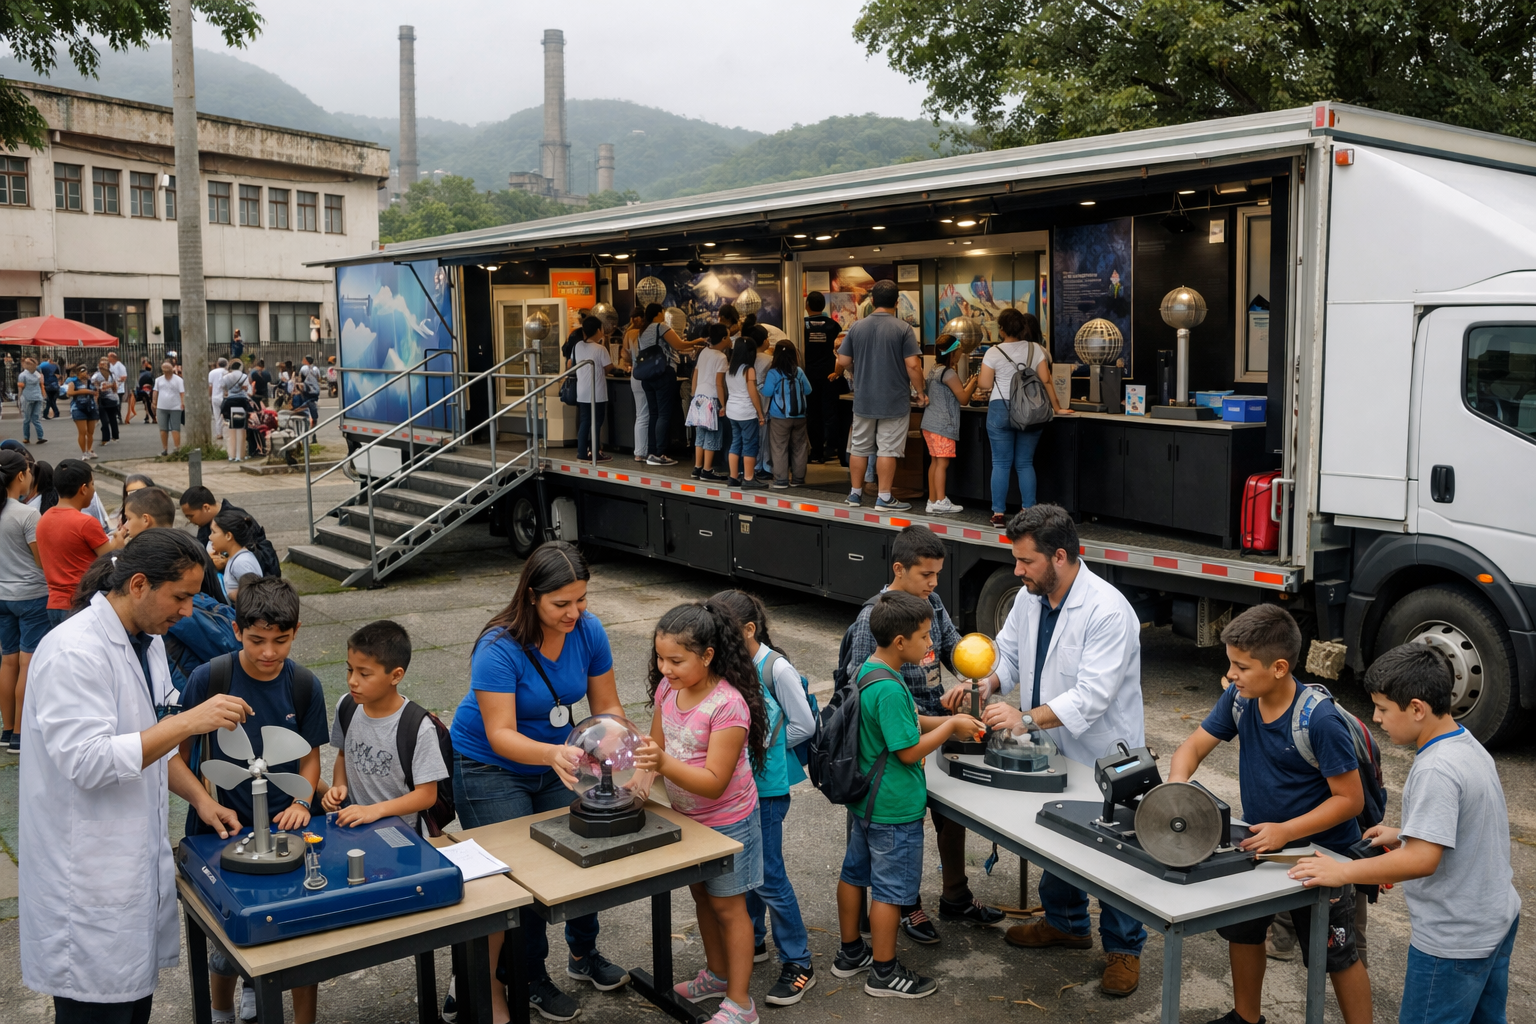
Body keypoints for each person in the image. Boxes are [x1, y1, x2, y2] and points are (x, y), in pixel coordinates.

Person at [19, 529, 251, 1024]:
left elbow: (151, 742)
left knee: (131, 1007)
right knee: (96, 1011)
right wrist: (187, 722)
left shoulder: (149, 643)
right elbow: (89, 761)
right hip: (87, 880)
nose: (188, 612)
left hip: (129, 870)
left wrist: (201, 799)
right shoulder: (73, 652)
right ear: (140, 584)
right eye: (181, 597)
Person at [447, 541, 631, 1022]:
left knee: (581, 854)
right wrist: (553, 753)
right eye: (561, 603)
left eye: (582, 599)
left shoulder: (589, 630)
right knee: (519, 878)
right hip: (489, 766)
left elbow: (607, 706)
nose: (575, 612)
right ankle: (527, 977)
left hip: (558, 759)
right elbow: (500, 733)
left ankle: (583, 954)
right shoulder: (497, 647)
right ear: (532, 596)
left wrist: (621, 742)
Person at [1289, 643, 1520, 1024]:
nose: (1376, 718)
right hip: (1493, 919)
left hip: (1452, 939)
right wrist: (1407, 833)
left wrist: (1341, 871)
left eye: (1382, 709)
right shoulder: (1466, 743)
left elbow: (1421, 860)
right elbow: (1469, 822)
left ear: (1416, 708)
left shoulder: (1435, 769)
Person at [1167, 604, 1372, 1024]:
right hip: (1262, 844)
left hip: (1321, 856)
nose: (1231, 675)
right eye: (1231, 664)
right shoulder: (1240, 699)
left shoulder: (1319, 719)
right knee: (1244, 931)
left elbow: (1349, 801)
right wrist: (1176, 787)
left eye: (1241, 667)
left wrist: (1287, 831)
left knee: (1336, 954)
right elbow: (1192, 747)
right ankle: (1247, 1018)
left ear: (1279, 668)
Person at [975, 504, 1147, 996]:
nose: (1017, 570)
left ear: (1060, 556)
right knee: (1055, 830)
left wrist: (1025, 719)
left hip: (1103, 751)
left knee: (1112, 847)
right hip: (1052, 745)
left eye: (1026, 561)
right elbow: (1009, 654)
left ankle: (1124, 948)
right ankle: (1066, 923)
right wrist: (988, 683)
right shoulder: (1030, 599)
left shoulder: (1107, 610)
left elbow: (1092, 695)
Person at [175, 575, 326, 1024]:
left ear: (296, 632)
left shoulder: (305, 684)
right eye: (257, 640)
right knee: (226, 940)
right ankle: (221, 1010)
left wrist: (301, 804)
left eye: (281, 640)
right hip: (221, 831)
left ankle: (270, 999)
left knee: (297, 932)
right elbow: (178, 755)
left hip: (286, 830)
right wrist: (204, 803)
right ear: (237, 630)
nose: (268, 652)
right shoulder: (210, 677)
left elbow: (310, 757)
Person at [842, 526, 1005, 941]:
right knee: (899, 827)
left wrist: (971, 678)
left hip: (936, 727)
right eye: (926, 574)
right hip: (897, 744)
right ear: (899, 569)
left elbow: (953, 648)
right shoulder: (872, 619)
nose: (934, 584)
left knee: (948, 814)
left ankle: (955, 894)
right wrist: (936, 723)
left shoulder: (930, 602)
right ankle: (905, 904)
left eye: (937, 575)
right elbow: (861, 690)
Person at [832, 590, 983, 1001]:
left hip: (865, 801)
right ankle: (883, 972)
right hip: (893, 807)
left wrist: (951, 720)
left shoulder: (872, 670)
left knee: (853, 874)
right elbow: (908, 750)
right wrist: (950, 728)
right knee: (890, 892)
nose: (931, 644)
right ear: (901, 642)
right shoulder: (892, 689)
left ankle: (850, 953)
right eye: (924, 637)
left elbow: (908, 720)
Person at [632, 601, 768, 1024]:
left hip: (729, 823)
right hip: (688, 820)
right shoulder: (668, 690)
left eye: (676, 660)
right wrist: (640, 781)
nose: (665, 669)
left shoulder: (727, 705)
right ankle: (718, 975)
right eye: (660, 658)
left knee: (729, 908)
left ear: (707, 655)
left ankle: (741, 1004)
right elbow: (655, 746)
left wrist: (662, 764)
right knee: (703, 899)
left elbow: (714, 782)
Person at [709, 590, 819, 1007]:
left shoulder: (776, 668)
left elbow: (804, 725)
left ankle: (799, 961)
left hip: (768, 790)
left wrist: (761, 747)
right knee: (747, 869)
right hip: (739, 788)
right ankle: (753, 939)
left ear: (748, 630)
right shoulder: (730, 663)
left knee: (769, 874)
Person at [322, 620, 448, 835]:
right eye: (350, 669)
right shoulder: (347, 706)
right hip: (357, 827)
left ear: (396, 675)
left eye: (364, 674)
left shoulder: (418, 727)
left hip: (402, 833)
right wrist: (338, 786)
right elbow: (344, 755)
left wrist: (374, 811)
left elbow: (427, 795)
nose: (352, 681)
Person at [976, 310, 1072, 528]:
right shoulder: (1035, 349)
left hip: (1000, 408)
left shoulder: (993, 352)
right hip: (1030, 409)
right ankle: (1029, 511)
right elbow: (1046, 381)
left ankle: (998, 514)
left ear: (1001, 329)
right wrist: (1057, 408)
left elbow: (985, 384)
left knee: (1000, 463)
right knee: (1025, 463)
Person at [836, 280, 924, 511]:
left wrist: (858, 370)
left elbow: (843, 360)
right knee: (887, 449)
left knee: (859, 447)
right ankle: (884, 498)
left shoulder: (857, 327)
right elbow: (913, 365)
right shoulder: (903, 329)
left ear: (873, 300)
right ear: (897, 302)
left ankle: (854, 495)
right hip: (894, 401)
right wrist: (921, 392)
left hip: (863, 399)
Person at [0, 450, 48, 755]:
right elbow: (41, 561)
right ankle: (20, 734)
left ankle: (6, 730)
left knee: (7, 661)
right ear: (21, 475)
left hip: (2, 596)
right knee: (27, 663)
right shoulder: (28, 514)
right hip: (31, 596)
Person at [37, 460, 113, 627]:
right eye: (92, 484)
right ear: (83, 488)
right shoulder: (86, 523)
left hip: (54, 605)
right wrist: (121, 540)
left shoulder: (44, 519)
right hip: (81, 603)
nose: (93, 490)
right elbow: (109, 557)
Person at [921, 336, 979, 515]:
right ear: (952, 353)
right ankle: (941, 500)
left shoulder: (934, 370)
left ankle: (932, 501)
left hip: (930, 423)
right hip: (943, 425)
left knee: (934, 462)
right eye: (959, 352)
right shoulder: (948, 373)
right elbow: (963, 398)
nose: (960, 355)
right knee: (942, 463)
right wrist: (973, 382)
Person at [635, 303, 695, 466]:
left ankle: (652, 452)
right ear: (659, 313)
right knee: (663, 414)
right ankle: (660, 453)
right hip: (663, 373)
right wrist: (698, 341)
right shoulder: (660, 327)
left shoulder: (642, 331)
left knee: (654, 414)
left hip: (647, 376)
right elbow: (679, 345)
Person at [759, 340, 813, 489]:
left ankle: (781, 480)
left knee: (779, 447)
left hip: (780, 417)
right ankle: (798, 479)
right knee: (800, 447)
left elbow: (767, 392)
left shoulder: (774, 373)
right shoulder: (798, 371)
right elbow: (808, 390)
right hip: (800, 416)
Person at [802, 292, 845, 464]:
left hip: (808, 375)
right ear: (823, 306)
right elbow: (840, 351)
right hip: (830, 375)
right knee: (830, 412)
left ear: (807, 305)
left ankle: (816, 452)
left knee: (812, 413)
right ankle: (831, 448)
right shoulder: (833, 326)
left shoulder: (802, 325)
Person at [723, 332, 767, 489]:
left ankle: (733, 477)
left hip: (732, 411)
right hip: (746, 412)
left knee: (735, 443)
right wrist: (760, 414)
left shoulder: (730, 369)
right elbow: (753, 393)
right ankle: (749, 478)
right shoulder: (749, 370)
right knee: (750, 444)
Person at [690, 323, 731, 481]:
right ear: (723, 338)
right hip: (712, 399)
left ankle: (697, 467)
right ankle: (707, 470)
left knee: (700, 434)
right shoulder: (721, 357)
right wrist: (723, 404)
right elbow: (719, 383)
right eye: (728, 336)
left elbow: (696, 373)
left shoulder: (704, 352)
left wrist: (694, 394)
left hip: (699, 397)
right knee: (712, 434)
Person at [570, 316, 613, 463]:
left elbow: (572, 364)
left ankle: (582, 452)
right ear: (598, 330)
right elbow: (608, 368)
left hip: (582, 391)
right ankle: (595, 452)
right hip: (597, 392)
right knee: (596, 423)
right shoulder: (600, 349)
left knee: (585, 422)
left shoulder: (577, 346)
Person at [208, 507, 264, 602]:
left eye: (214, 532)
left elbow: (255, 599)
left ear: (228, 536)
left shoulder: (241, 563)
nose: (210, 537)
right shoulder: (236, 558)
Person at [616, 312, 650, 463]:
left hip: (635, 374)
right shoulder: (647, 332)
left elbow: (625, 355)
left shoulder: (629, 333)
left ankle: (640, 451)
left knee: (640, 414)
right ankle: (643, 451)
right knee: (647, 415)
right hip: (647, 374)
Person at [64, 362, 100, 459]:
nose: (85, 373)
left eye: (86, 371)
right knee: (82, 431)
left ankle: (90, 449)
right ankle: (84, 452)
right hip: (78, 407)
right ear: (78, 373)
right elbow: (70, 393)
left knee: (91, 432)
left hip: (91, 407)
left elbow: (96, 391)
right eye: (82, 371)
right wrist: (85, 391)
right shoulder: (73, 382)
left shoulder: (91, 382)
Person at [221, 367, 255, 463]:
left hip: (229, 403)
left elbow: (222, 388)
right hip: (241, 403)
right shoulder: (244, 376)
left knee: (231, 430)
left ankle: (231, 455)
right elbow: (249, 391)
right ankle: (240, 455)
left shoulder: (226, 377)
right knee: (241, 430)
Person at [152, 360, 185, 454]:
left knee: (175, 428)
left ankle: (177, 448)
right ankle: (165, 448)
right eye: (164, 369)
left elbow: (182, 392)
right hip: (161, 406)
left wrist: (182, 402)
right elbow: (155, 391)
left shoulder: (178, 380)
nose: (166, 371)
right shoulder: (158, 380)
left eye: (168, 369)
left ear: (172, 369)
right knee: (163, 428)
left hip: (175, 407)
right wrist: (154, 402)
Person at [92, 355, 121, 446]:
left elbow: (95, 388)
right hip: (113, 399)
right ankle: (115, 436)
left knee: (104, 420)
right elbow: (115, 388)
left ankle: (106, 438)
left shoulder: (96, 375)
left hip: (104, 399)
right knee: (112, 418)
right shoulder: (112, 374)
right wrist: (111, 386)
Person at [18, 356, 45, 445]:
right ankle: (33, 437)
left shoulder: (31, 374)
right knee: (31, 418)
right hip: (32, 397)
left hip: (32, 397)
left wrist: (19, 399)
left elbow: (40, 384)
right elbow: (21, 387)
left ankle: (34, 437)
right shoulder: (29, 375)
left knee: (31, 418)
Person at [208, 356, 229, 441]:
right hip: (225, 397)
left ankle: (219, 434)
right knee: (228, 415)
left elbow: (210, 386)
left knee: (217, 416)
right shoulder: (227, 373)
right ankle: (231, 432)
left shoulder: (212, 373)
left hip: (215, 397)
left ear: (217, 364)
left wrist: (209, 396)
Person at [110, 351, 132, 423]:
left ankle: (118, 416)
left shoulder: (120, 366)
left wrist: (116, 381)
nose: (108, 358)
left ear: (113, 357)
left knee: (118, 402)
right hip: (111, 388)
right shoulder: (109, 365)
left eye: (109, 357)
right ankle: (113, 415)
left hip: (119, 388)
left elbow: (124, 377)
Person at [136, 357, 155, 424]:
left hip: (142, 390)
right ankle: (151, 416)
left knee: (146, 403)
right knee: (149, 402)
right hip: (149, 390)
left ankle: (147, 415)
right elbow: (153, 383)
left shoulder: (141, 374)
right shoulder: (150, 374)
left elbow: (138, 383)